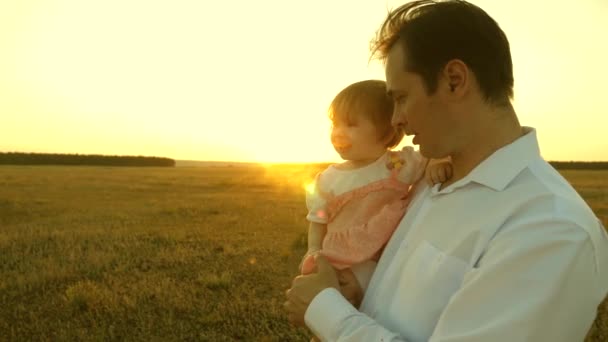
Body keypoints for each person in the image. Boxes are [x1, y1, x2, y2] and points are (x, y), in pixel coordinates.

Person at [284, 1, 608, 341]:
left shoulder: (552, 230)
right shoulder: (428, 180)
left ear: (454, 80)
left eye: (402, 97)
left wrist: (323, 307)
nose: (395, 119)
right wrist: (358, 291)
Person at [300, 80, 451, 294]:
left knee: (375, 291)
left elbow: (432, 153)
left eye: (351, 124)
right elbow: (318, 220)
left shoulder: (398, 165)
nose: (338, 132)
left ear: (388, 132)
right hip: (341, 255)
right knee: (334, 292)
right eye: (335, 124)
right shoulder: (328, 180)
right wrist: (313, 249)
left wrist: (438, 161)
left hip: (384, 254)